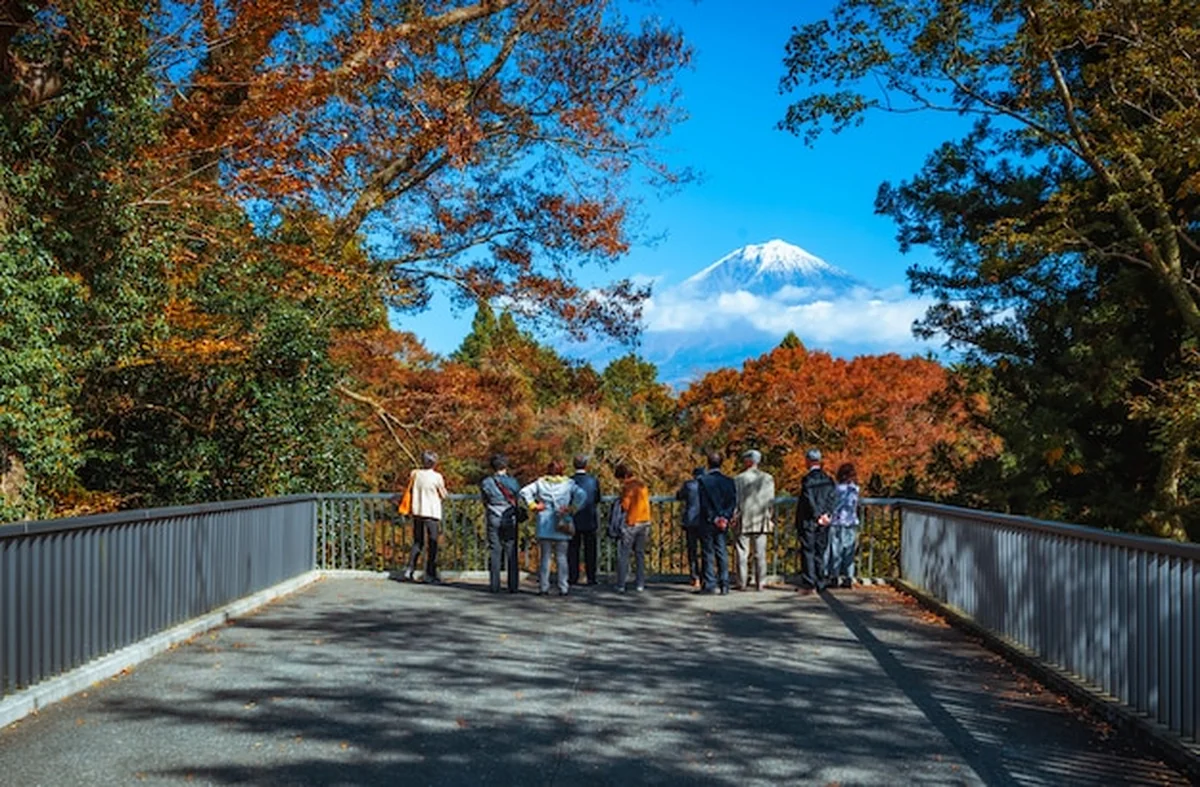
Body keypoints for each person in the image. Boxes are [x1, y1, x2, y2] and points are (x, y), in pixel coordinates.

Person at [520, 460, 585, 596]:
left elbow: (524, 492)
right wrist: (572, 508)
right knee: (562, 557)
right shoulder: (568, 483)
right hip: (562, 521)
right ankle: (563, 587)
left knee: (545, 557)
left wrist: (534, 506)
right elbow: (582, 495)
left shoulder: (540, 482)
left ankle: (544, 587)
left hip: (544, 521)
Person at [795, 448, 836, 594]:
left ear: (808, 460)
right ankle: (821, 581)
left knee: (808, 551)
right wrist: (827, 514)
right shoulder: (828, 479)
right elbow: (832, 498)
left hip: (809, 521)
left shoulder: (808, 479)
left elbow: (808, 499)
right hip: (824, 521)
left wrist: (817, 515)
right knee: (820, 551)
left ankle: (809, 583)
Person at [733, 449, 775, 591]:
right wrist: (769, 517)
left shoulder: (738, 479)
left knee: (741, 552)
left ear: (748, 461)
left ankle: (742, 582)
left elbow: (736, 501)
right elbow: (770, 502)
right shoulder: (768, 478)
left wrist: (734, 516)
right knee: (760, 553)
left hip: (743, 518)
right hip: (761, 519)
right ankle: (760, 582)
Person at [696, 451, 737, 595]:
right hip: (723, 521)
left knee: (708, 552)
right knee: (722, 551)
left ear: (708, 463)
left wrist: (714, 518)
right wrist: (725, 517)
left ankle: (710, 584)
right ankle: (724, 584)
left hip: (708, 521)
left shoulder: (703, 480)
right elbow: (732, 502)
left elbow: (704, 504)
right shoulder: (729, 481)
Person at [404, 450, 448, 583]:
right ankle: (430, 573)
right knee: (433, 542)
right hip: (432, 512)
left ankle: (410, 569)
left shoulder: (415, 474)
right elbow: (443, 494)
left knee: (418, 542)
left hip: (417, 511)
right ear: (434, 463)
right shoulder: (437, 477)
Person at [480, 454, 522, 593]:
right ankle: (513, 585)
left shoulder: (486, 482)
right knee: (511, 550)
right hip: (510, 518)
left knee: (494, 550)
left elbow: (485, 499)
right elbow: (517, 497)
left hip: (493, 516)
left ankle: (494, 585)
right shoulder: (513, 482)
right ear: (506, 466)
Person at [614, 463, 652, 592]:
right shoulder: (642, 485)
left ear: (624, 476)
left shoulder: (628, 487)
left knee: (624, 553)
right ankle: (640, 583)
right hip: (645, 520)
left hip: (632, 522)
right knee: (640, 553)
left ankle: (621, 584)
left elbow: (625, 506)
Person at [826, 462, 861, 589]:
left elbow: (832, 504)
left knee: (836, 550)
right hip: (851, 522)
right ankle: (848, 578)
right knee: (849, 551)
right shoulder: (855, 489)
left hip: (837, 522)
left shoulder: (837, 489)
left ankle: (834, 577)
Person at [567, 455, 601, 586]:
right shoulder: (593, 481)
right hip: (589, 518)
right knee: (590, 550)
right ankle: (591, 577)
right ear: (586, 465)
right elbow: (597, 498)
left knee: (573, 549)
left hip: (573, 518)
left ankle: (573, 577)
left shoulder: (569, 481)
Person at [674, 468, 705, 588]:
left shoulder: (689, 485)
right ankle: (705, 577)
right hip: (704, 521)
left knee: (692, 550)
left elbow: (679, 496)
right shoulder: (707, 485)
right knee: (706, 550)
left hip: (691, 521)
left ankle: (695, 577)